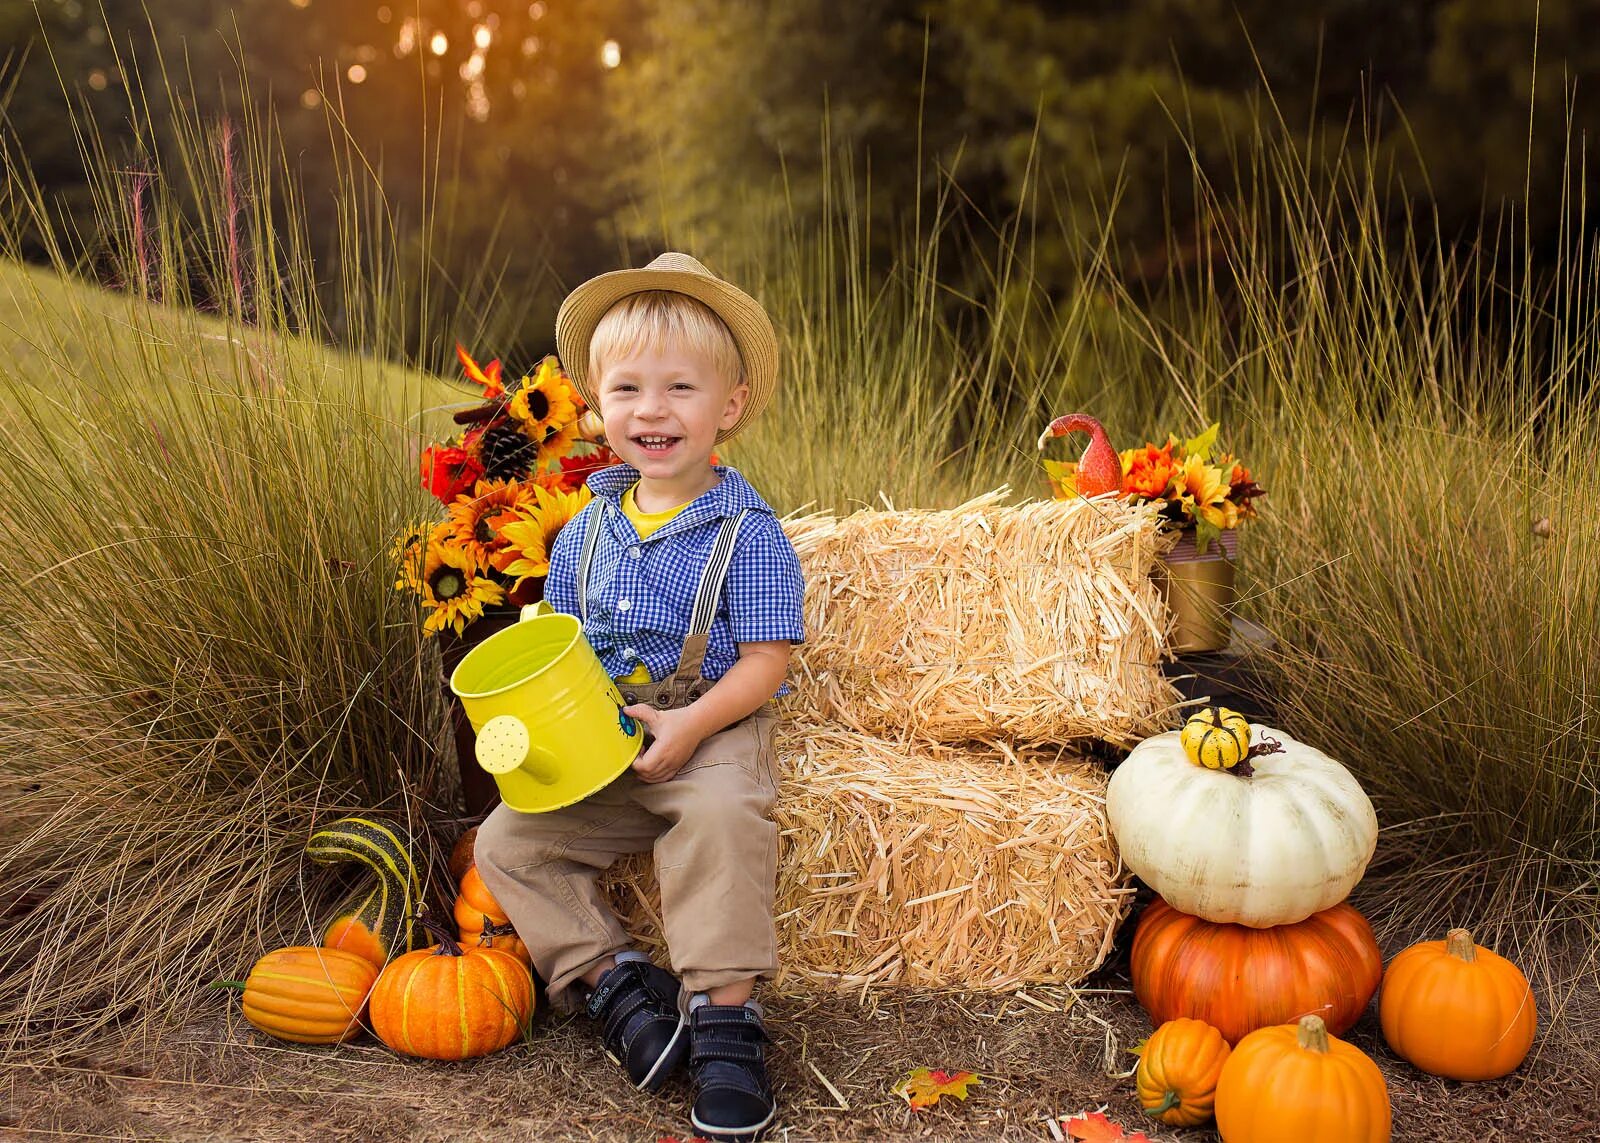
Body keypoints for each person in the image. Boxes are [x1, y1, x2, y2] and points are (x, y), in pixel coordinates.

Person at [474, 252, 805, 1142]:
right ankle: (613, 973)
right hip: (607, 734)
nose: (651, 411)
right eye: (627, 389)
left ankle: (725, 1018)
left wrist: (693, 723)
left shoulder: (748, 531)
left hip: (709, 722)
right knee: (507, 842)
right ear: (595, 403)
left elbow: (767, 661)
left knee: (726, 817)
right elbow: (568, 651)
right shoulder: (582, 530)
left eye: (680, 389)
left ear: (728, 408)